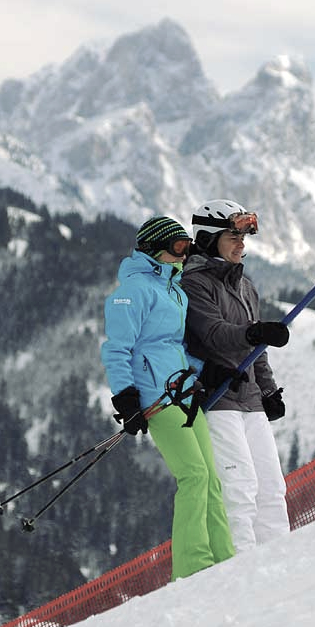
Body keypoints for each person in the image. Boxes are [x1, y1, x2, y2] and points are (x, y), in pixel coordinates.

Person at [101, 215, 235, 580]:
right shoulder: (132, 292)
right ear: (155, 248)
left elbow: (170, 345)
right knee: (193, 475)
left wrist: (205, 371)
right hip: (154, 396)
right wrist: (127, 400)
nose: (184, 253)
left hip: (183, 391)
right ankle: (194, 569)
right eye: (178, 247)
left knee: (211, 476)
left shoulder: (173, 290)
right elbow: (117, 350)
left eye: (186, 247)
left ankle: (226, 559)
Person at [181, 199, 292, 553]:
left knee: (271, 488)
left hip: (250, 401)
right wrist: (254, 333)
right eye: (234, 235)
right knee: (239, 488)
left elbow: (255, 352)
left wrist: (269, 391)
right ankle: (241, 573)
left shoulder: (246, 287)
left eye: (245, 236)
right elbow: (214, 333)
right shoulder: (194, 283)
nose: (242, 243)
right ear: (209, 237)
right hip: (218, 398)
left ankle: (280, 565)